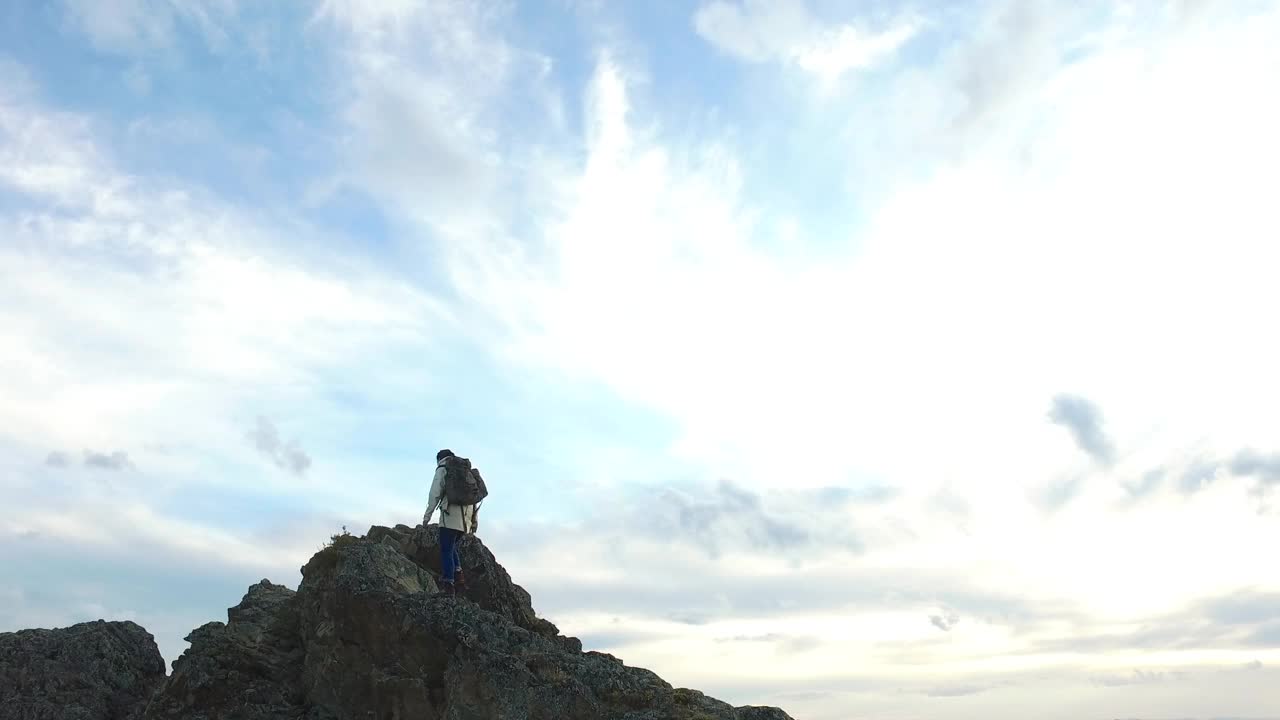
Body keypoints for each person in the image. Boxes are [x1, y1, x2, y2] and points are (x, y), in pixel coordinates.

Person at [423, 448, 478, 595]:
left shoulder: (443, 468)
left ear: (440, 459)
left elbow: (434, 493)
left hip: (450, 516)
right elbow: (474, 498)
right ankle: (459, 578)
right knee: (452, 546)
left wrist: (427, 517)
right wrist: (473, 522)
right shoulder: (466, 472)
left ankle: (448, 584)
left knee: (446, 549)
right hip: (465, 519)